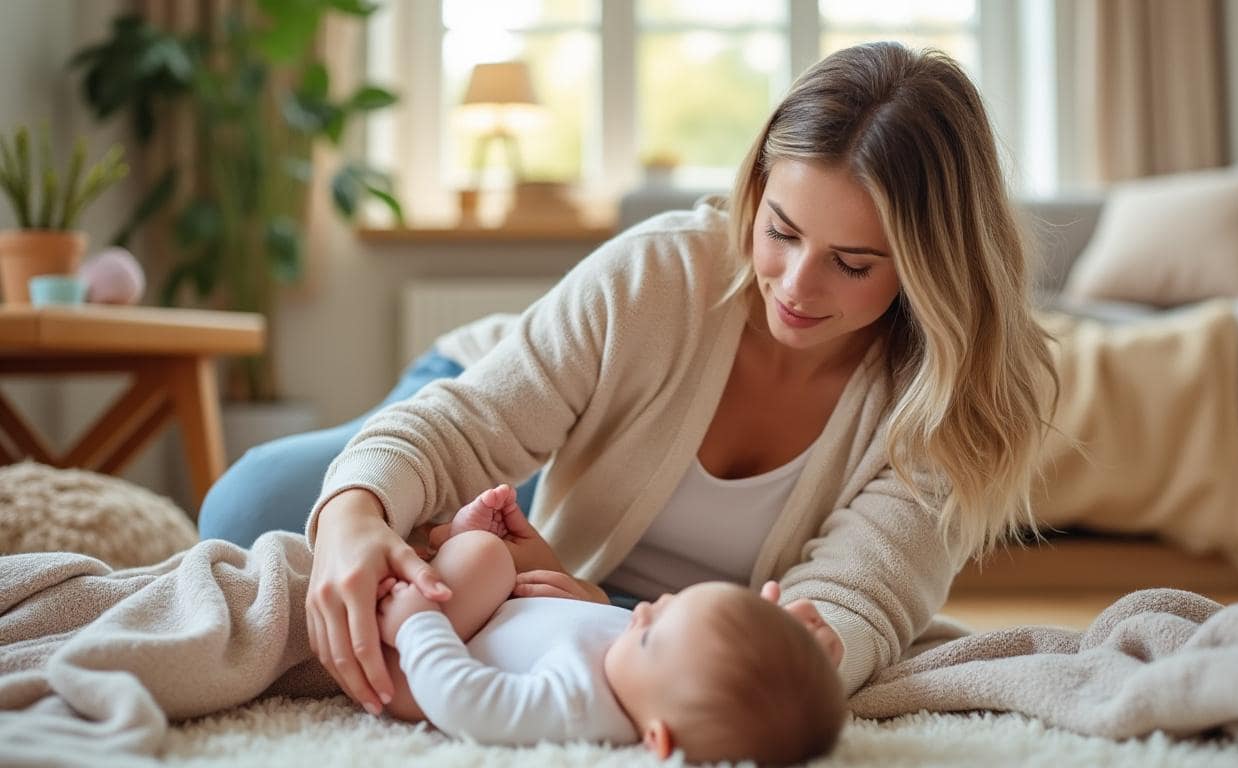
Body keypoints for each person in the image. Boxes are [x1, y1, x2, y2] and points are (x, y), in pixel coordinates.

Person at [202, 41, 1056, 720]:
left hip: (601, 576)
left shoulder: (953, 402)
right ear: (754, 192)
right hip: (517, 417)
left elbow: (853, 605)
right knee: (254, 509)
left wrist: (612, 614)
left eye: (854, 263)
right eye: (781, 232)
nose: (796, 286)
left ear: (929, 267)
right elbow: (470, 424)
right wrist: (356, 512)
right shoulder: (663, 272)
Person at [377, 482, 846, 764]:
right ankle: (448, 551)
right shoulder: (649, 673)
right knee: (488, 557)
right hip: (491, 611)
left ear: (657, 737)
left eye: (648, 633)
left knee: (481, 557)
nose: (640, 613)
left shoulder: (576, 704)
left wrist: (416, 627)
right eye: (665, 605)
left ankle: (439, 560)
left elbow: (466, 701)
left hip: (416, 672)